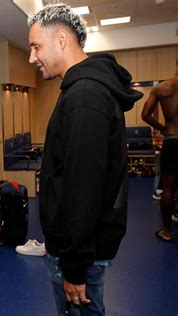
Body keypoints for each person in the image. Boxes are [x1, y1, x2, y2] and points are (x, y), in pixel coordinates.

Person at [27, 4, 143, 315]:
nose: (32, 57)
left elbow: (84, 188)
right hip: (83, 247)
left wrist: (74, 268)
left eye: (36, 46)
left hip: (78, 254)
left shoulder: (84, 96)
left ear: (62, 40)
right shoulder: (83, 90)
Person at [141, 75, 178, 241]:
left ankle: (167, 231)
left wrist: (164, 128)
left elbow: (146, 115)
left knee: (168, 189)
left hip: (171, 140)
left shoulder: (163, 88)